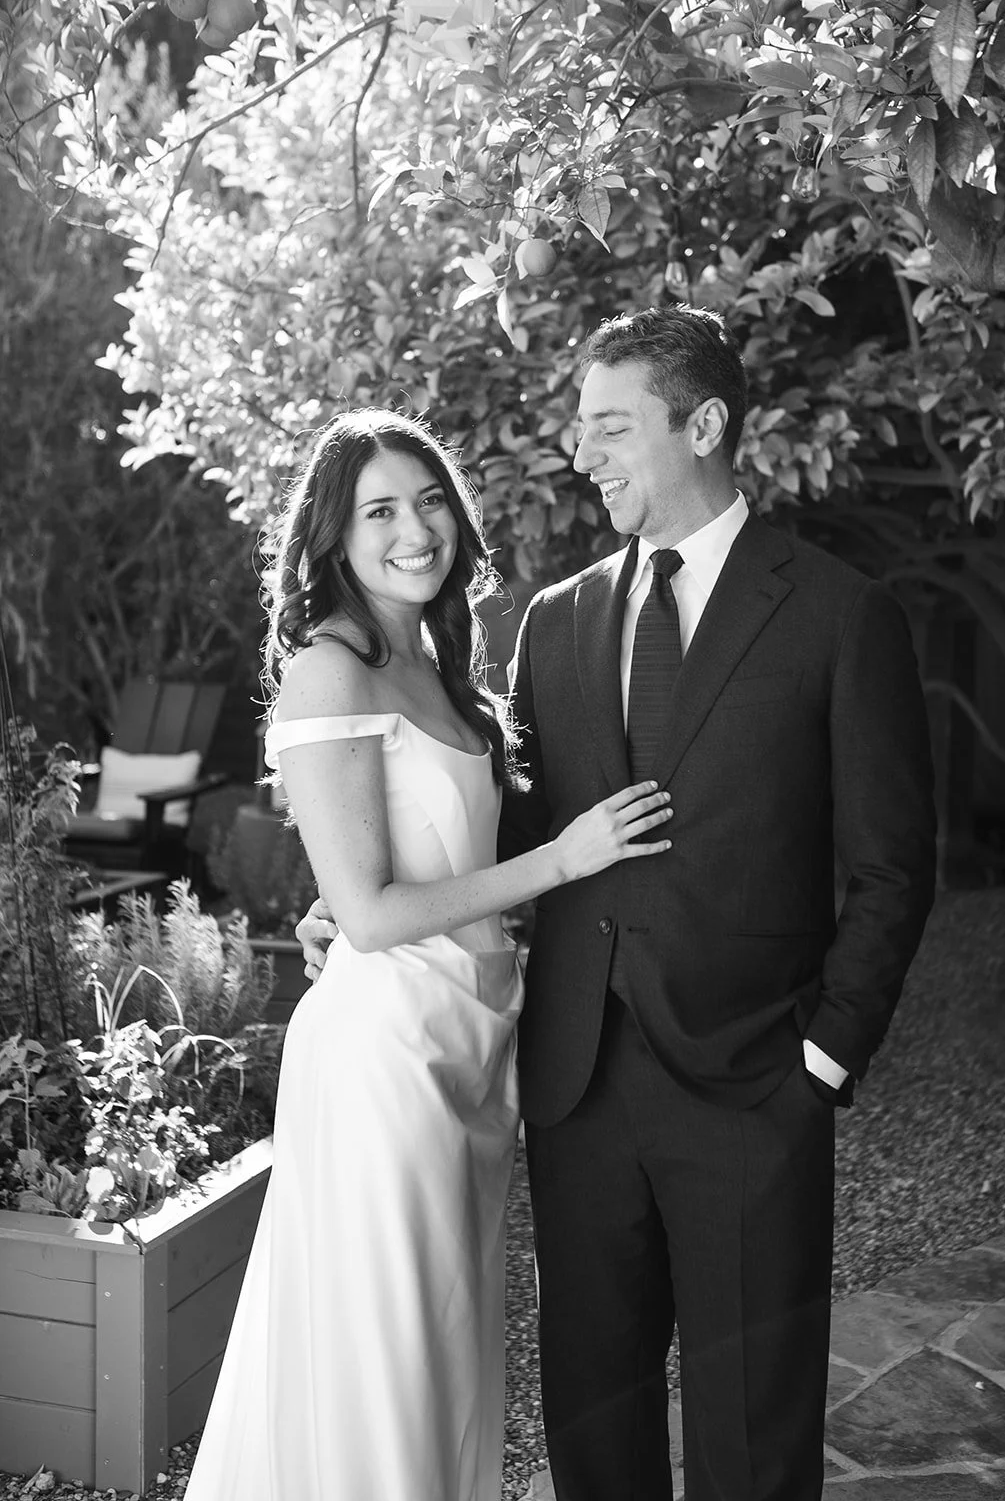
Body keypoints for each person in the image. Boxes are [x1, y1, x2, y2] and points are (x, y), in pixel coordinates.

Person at [299, 307, 938, 1501]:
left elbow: (894, 865)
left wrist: (823, 1057)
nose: (581, 456)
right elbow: (523, 835)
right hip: (576, 1082)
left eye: (608, 428)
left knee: (755, 1429)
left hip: (757, 1081)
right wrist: (363, 900)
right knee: (594, 1417)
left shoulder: (839, 615)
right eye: (577, 429)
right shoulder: (557, 619)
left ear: (701, 425)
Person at [184, 409, 673, 1501]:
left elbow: (403, 854)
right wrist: (561, 858)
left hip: (472, 1042)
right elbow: (370, 914)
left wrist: (359, 897)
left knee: (450, 1347)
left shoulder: (439, 659)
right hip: (384, 1064)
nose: (416, 530)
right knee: (388, 1355)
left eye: (430, 499)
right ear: (332, 538)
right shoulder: (330, 667)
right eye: (380, 510)